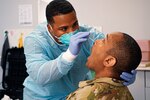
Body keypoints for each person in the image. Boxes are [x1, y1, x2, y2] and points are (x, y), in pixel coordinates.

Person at [23, 0, 137, 99]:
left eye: (75, 24)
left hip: (75, 94)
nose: (72, 31)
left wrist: (124, 70)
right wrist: (69, 55)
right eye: (64, 28)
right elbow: (39, 75)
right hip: (41, 97)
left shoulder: (88, 35)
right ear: (50, 28)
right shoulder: (35, 41)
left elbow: (114, 52)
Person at [66, 32, 142, 100]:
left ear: (109, 61)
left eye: (103, 41)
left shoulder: (84, 96)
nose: (96, 41)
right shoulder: (124, 92)